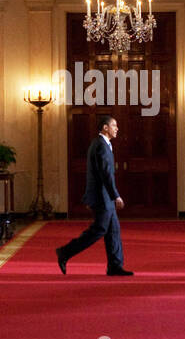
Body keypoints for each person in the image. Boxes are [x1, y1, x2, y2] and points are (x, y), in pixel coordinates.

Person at [56, 115, 132, 276]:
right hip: (102, 197)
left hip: (105, 197)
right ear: (105, 128)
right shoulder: (100, 145)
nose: (117, 128)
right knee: (99, 229)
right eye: (114, 125)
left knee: (113, 231)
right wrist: (116, 195)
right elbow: (105, 174)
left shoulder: (103, 144)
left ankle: (115, 266)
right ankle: (65, 252)